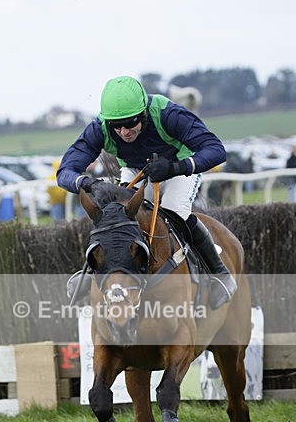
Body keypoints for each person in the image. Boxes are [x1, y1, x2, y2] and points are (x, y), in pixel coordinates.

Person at [57, 75, 235, 309]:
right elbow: (65, 172)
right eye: (116, 126)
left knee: (174, 212)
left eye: (130, 123)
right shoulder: (100, 127)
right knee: (116, 218)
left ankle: (220, 275)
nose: (124, 132)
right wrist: (89, 184)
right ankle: (89, 272)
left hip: (179, 169)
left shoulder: (167, 114)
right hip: (135, 170)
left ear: (143, 114)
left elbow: (215, 150)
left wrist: (175, 167)